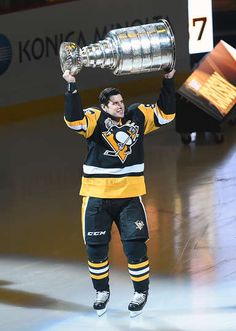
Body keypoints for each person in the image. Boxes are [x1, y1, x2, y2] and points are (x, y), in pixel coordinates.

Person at [62, 68, 176, 317]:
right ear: (104, 106)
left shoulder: (138, 116)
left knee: (135, 247)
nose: (120, 106)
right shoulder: (94, 119)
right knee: (96, 248)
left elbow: (166, 115)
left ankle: (140, 291)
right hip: (97, 196)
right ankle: (101, 291)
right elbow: (73, 121)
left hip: (129, 196)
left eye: (121, 102)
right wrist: (71, 86)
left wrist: (168, 81)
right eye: (114, 103)